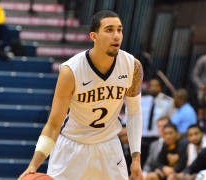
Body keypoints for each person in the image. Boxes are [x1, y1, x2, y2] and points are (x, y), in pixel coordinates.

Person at [18, 10, 143, 180]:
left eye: (119, 30)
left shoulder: (132, 67)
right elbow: (54, 124)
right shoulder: (71, 71)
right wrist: (34, 164)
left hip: (108, 146)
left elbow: (134, 112)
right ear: (94, 36)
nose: (116, 36)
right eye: (109, 30)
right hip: (71, 146)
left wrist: (136, 158)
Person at [141, 78, 174, 144]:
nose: (153, 88)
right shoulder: (142, 100)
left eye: (156, 86)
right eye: (151, 86)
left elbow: (171, 119)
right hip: (143, 135)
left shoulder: (168, 102)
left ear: (160, 87)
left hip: (158, 136)